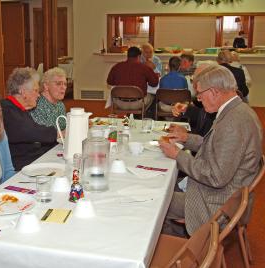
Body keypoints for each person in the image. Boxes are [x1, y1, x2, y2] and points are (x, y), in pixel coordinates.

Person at [159, 64, 262, 237]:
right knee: (163, 185)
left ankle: (184, 251)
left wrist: (177, 155)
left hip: (218, 201)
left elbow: (214, 177)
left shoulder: (232, 123)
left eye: (200, 94)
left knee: (157, 201)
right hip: (226, 190)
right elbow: (216, 147)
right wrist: (186, 138)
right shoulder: (237, 110)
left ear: (214, 92)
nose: (198, 99)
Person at [1, 67, 58, 171]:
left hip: (31, 162)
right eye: (36, 90)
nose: (38, 95)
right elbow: (30, 131)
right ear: (23, 92)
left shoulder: (20, 109)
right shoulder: (6, 109)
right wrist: (57, 133)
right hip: (19, 168)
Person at [107, 46, 159, 112]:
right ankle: (144, 117)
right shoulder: (144, 68)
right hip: (138, 103)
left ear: (127, 55)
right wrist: (155, 75)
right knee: (153, 95)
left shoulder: (117, 67)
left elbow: (109, 82)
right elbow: (154, 83)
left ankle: (131, 117)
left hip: (119, 103)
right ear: (139, 56)